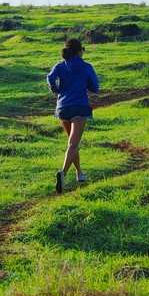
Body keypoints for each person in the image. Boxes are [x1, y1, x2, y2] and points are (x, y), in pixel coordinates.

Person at [46, 38, 100, 193]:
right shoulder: (86, 67)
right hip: (79, 107)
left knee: (72, 142)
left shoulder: (60, 66)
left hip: (62, 108)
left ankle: (79, 173)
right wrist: (86, 85)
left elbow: (49, 78)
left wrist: (55, 90)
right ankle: (62, 173)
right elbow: (95, 88)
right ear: (79, 51)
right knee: (73, 144)